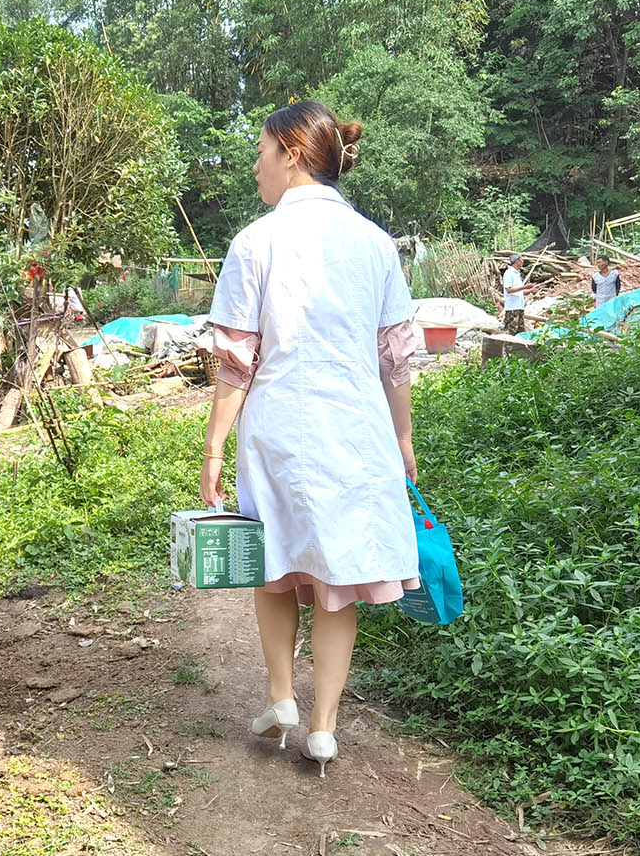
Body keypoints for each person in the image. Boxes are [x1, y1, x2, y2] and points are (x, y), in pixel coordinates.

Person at [198, 101, 420, 778]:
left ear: (291, 155)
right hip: (357, 430)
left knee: (274, 565)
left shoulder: (255, 242)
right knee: (337, 580)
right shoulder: (375, 243)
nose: (255, 165)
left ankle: (280, 697)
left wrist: (213, 447)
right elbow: (396, 358)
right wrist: (404, 438)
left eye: (261, 151)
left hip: (280, 430)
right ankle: (323, 726)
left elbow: (236, 362)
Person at [501, 254, 531, 334]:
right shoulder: (509, 273)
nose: (522, 262)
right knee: (511, 330)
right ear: (516, 261)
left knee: (520, 331)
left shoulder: (517, 274)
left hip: (519, 306)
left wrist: (531, 290)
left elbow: (519, 291)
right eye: (521, 260)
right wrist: (524, 287)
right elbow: (509, 290)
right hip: (512, 307)